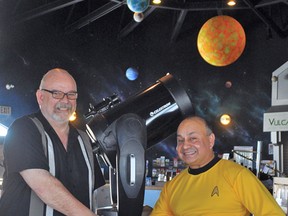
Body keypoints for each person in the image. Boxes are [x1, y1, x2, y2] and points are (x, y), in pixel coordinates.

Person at [0, 68, 105, 216]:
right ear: (40, 97)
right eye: (56, 93)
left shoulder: (84, 140)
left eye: (71, 94)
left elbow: (96, 191)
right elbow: (44, 186)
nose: (65, 101)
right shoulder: (23, 129)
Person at [151, 116, 285, 216]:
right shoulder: (172, 187)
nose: (185, 146)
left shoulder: (237, 175)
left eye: (193, 138)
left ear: (210, 140)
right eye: (180, 140)